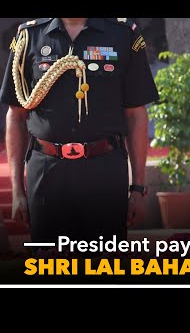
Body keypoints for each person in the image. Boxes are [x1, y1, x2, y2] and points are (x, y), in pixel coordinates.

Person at [0, 18, 158, 244]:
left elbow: (136, 115)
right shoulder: (30, 36)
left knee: (104, 263)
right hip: (46, 172)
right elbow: (15, 115)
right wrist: (17, 192)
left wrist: (138, 188)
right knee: (49, 263)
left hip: (105, 170)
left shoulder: (123, 34)